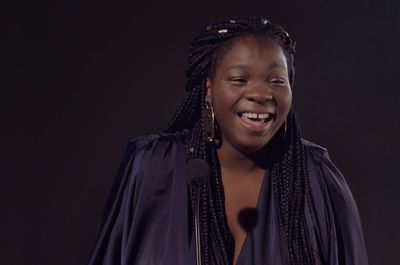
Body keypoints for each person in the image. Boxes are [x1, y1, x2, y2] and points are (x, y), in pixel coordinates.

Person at [88, 17, 368, 265]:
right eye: (239, 79)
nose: (260, 93)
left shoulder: (317, 179)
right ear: (208, 89)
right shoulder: (151, 167)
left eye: (276, 81)